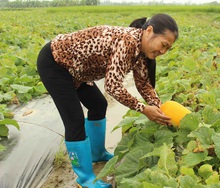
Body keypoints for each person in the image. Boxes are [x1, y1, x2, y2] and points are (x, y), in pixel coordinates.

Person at [36, 13, 178, 188]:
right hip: (56, 63)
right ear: (149, 31)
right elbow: (112, 86)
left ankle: (98, 154)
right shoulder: (127, 41)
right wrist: (143, 109)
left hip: (78, 71)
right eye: (163, 45)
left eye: (168, 49)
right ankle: (85, 178)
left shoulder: (142, 52)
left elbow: (144, 85)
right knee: (74, 120)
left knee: (98, 105)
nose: (163, 52)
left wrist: (159, 107)